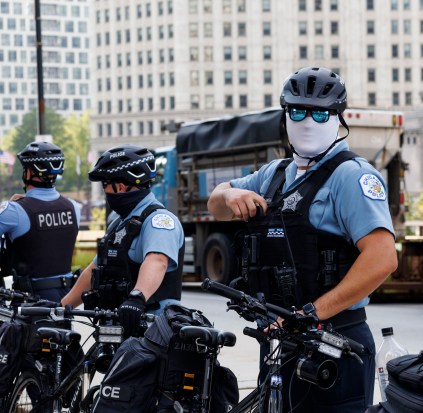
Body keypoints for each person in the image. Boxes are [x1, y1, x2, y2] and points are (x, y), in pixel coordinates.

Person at [207, 66, 398, 412]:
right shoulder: (275, 174)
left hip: (335, 342)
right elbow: (216, 205)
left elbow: (383, 257)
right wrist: (227, 194)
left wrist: (310, 313)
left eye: (320, 112)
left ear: (337, 118)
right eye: (297, 110)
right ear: (285, 115)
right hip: (281, 339)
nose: (308, 120)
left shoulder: (351, 177)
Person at [61, 144, 184, 337]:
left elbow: (157, 261)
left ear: (120, 186)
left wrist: (137, 297)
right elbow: (94, 270)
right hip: (120, 325)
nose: (105, 192)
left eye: (105, 186)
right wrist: (61, 307)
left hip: (154, 331)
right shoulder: (119, 223)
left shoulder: (158, 221)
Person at [0, 141, 80, 302]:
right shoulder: (73, 207)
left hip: (29, 298)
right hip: (66, 297)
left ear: (28, 172)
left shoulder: (14, 211)